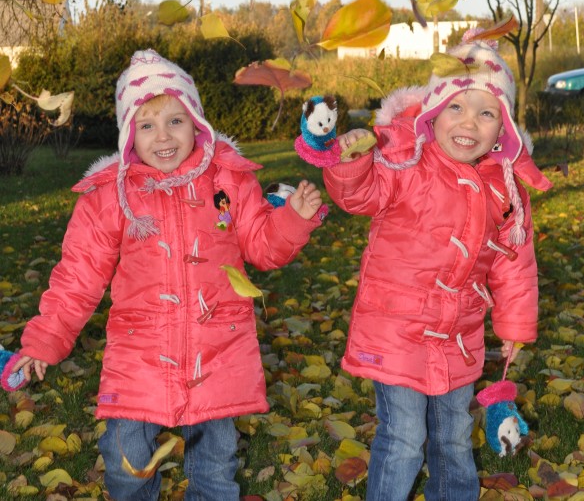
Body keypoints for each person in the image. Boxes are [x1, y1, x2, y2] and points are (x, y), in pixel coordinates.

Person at [10, 49, 326, 501]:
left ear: (196, 121)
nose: (163, 137)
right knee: (128, 463)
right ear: (127, 135)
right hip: (139, 354)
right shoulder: (111, 197)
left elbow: (261, 244)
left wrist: (292, 218)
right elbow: (78, 274)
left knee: (216, 470)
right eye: (147, 125)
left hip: (218, 351)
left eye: (175, 121)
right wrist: (45, 339)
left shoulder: (225, 182)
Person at [322, 30, 552, 501]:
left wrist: (514, 324)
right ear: (432, 112)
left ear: (503, 128)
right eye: (456, 107)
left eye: (486, 112)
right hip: (396, 330)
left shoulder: (503, 188)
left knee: (452, 437)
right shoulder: (405, 161)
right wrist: (352, 162)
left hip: (458, 337)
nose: (469, 122)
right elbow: (360, 193)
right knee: (405, 438)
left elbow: (513, 261)